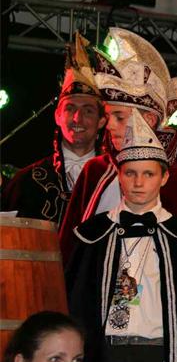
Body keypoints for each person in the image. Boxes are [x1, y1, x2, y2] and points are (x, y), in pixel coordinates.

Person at [65, 108, 177, 362]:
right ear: (119, 175)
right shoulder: (92, 235)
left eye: (148, 174)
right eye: (130, 173)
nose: (139, 182)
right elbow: (76, 303)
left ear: (164, 178)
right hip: (105, 358)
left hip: (157, 359)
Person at [58, 27, 177, 266]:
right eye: (109, 116)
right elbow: (70, 251)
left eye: (120, 117)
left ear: (149, 120)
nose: (109, 125)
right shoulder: (95, 171)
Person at [1, 33, 106, 224]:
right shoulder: (27, 181)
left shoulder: (117, 180)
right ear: (57, 116)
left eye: (88, 110)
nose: (78, 118)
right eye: (70, 108)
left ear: (102, 121)